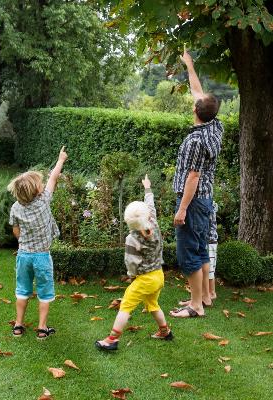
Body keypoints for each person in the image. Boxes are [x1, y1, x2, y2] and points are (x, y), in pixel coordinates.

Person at [169, 49, 223, 318]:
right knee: (201, 249)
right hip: (206, 201)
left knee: (188, 253)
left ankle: (195, 306)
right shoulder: (215, 127)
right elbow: (198, 91)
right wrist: (189, 65)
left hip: (192, 200)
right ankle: (201, 298)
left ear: (195, 110)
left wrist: (181, 210)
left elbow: (193, 177)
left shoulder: (194, 141)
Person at [95, 174, 172, 351]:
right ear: (147, 216)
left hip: (144, 279)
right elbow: (151, 206)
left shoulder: (132, 238)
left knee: (126, 306)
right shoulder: (153, 224)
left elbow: (131, 262)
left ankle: (112, 339)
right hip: (158, 275)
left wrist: (131, 275)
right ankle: (165, 331)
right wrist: (147, 188)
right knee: (153, 304)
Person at [7, 146, 67, 339]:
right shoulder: (43, 201)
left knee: (22, 290)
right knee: (45, 291)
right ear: (37, 190)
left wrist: (23, 241)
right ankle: (42, 328)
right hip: (42, 256)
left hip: (24, 255)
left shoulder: (16, 208)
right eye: (39, 184)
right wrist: (61, 159)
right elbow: (53, 178)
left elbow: (15, 231)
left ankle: (18, 326)